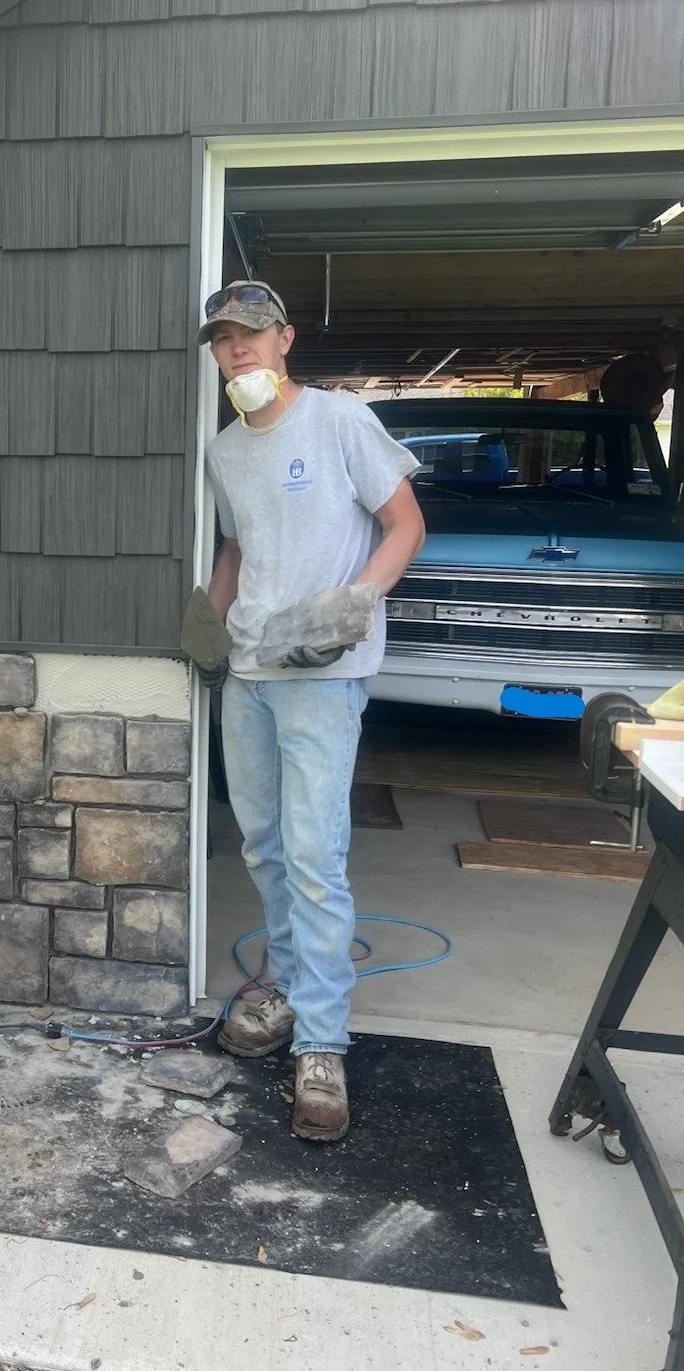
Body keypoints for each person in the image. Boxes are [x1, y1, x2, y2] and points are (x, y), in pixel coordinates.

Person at [197, 281, 425, 1143]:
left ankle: (322, 1043)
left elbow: (405, 525)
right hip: (250, 673)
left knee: (315, 856)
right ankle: (288, 987)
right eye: (224, 338)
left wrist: (356, 601)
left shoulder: (339, 421)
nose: (238, 349)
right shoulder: (226, 450)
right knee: (263, 844)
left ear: (284, 339)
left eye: (252, 333)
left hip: (323, 677)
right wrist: (209, 616)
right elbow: (237, 545)